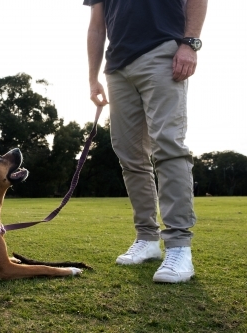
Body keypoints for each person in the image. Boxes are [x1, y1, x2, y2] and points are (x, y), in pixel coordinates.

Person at [84, 0, 208, 283]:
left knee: (168, 147)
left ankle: (178, 246)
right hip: (116, 67)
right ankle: (147, 239)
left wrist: (189, 43)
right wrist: (93, 78)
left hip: (163, 51)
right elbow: (96, 25)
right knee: (130, 156)